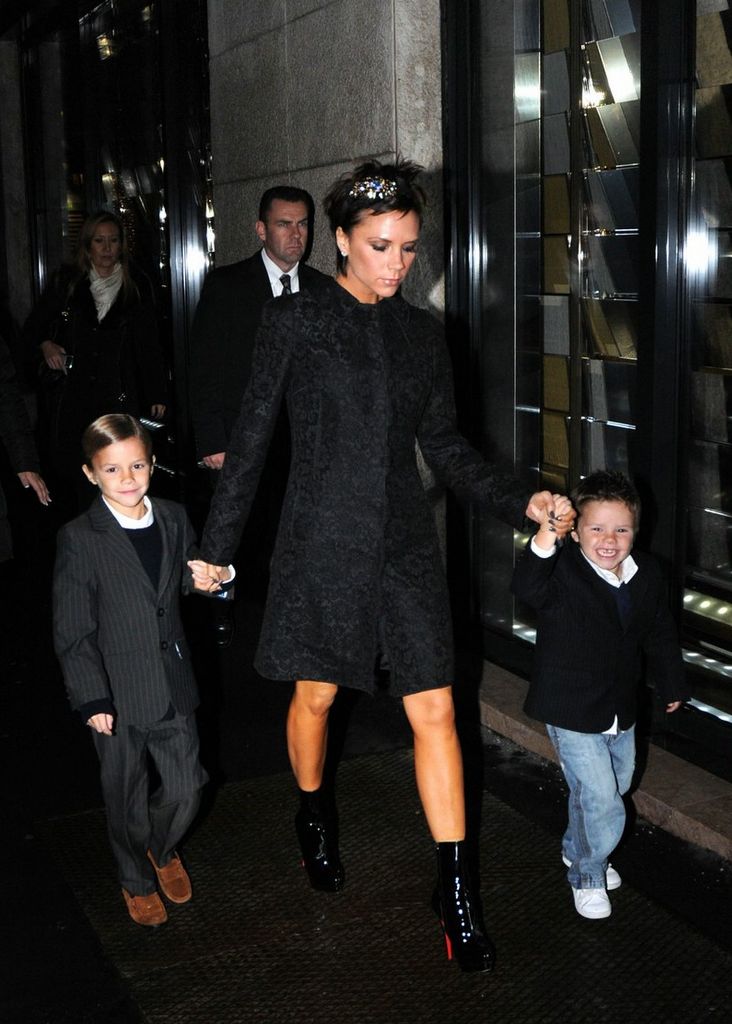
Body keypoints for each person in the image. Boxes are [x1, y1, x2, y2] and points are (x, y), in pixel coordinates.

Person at [189, 158, 564, 973]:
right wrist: (215, 550)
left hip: (402, 544)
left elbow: (447, 450)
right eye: (381, 246)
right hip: (320, 542)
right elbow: (251, 440)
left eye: (409, 247)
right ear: (343, 240)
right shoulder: (295, 319)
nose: (398, 264)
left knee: (437, 710)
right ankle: (312, 810)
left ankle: (456, 894)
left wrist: (522, 502)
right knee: (317, 698)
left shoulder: (421, 335)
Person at [53, 414, 231, 927]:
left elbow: (182, 578)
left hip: (172, 681)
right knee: (126, 796)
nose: (127, 478)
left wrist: (213, 579)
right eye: (112, 469)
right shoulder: (80, 538)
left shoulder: (173, 517)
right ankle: (135, 878)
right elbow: (72, 628)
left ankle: (161, 846)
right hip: (115, 693)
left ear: (152, 464)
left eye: (137, 465)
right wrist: (92, 697)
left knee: (188, 787)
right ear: (91, 473)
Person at [511, 470, 690, 920]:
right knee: (600, 798)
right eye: (596, 528)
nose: (609, 540)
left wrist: (672, 681)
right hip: (570, 707)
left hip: (619, 709)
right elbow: (527, 587)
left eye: (621, 530)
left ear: (635, 531)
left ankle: (578, 847)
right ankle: (587, 874)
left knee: (617, 785)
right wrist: (548, 533)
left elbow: (660, 633)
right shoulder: (562, 571)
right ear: (576, 532)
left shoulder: (647, 574)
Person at [189, 186, 328, 641]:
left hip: (302, 440)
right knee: (241, 529)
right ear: (261, 229)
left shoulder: (324, 289)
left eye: (303, 224)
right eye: (285, 224)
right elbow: (204, 366)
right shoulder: (227, 285)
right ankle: (232, 616)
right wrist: (212, 439)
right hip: (242, 437)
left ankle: (288, 619)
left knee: (294, 533)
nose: (296, 234)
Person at [23, 211, 167, 512]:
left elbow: (149, 343)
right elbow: (34, 328)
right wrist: (47, 345)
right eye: (100, 241)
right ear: (88, 245)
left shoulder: (136, 284)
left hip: (118, 392)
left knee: (117, 467)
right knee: (77, 475)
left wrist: (156, 392)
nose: (107, 248)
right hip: (73, 396)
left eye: (113, 240)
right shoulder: (68, 282)